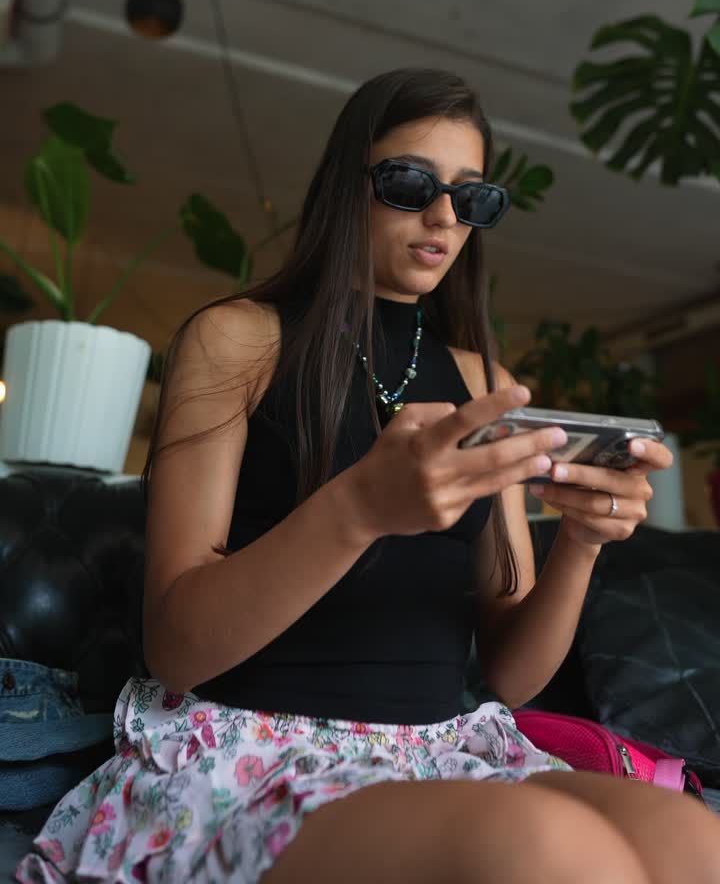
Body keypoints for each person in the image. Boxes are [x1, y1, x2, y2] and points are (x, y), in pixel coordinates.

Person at [18, 68, 720, 884]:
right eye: (411, 183)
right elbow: (176, 647)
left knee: (691, 839)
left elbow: (510, 675)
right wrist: (357, 508)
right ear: (345, 185)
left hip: (442, 752)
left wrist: (583, 542)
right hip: (260, 752)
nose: (443, 217)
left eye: (470, 197)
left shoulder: (482, 379)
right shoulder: (238, 341)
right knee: (551, 849)